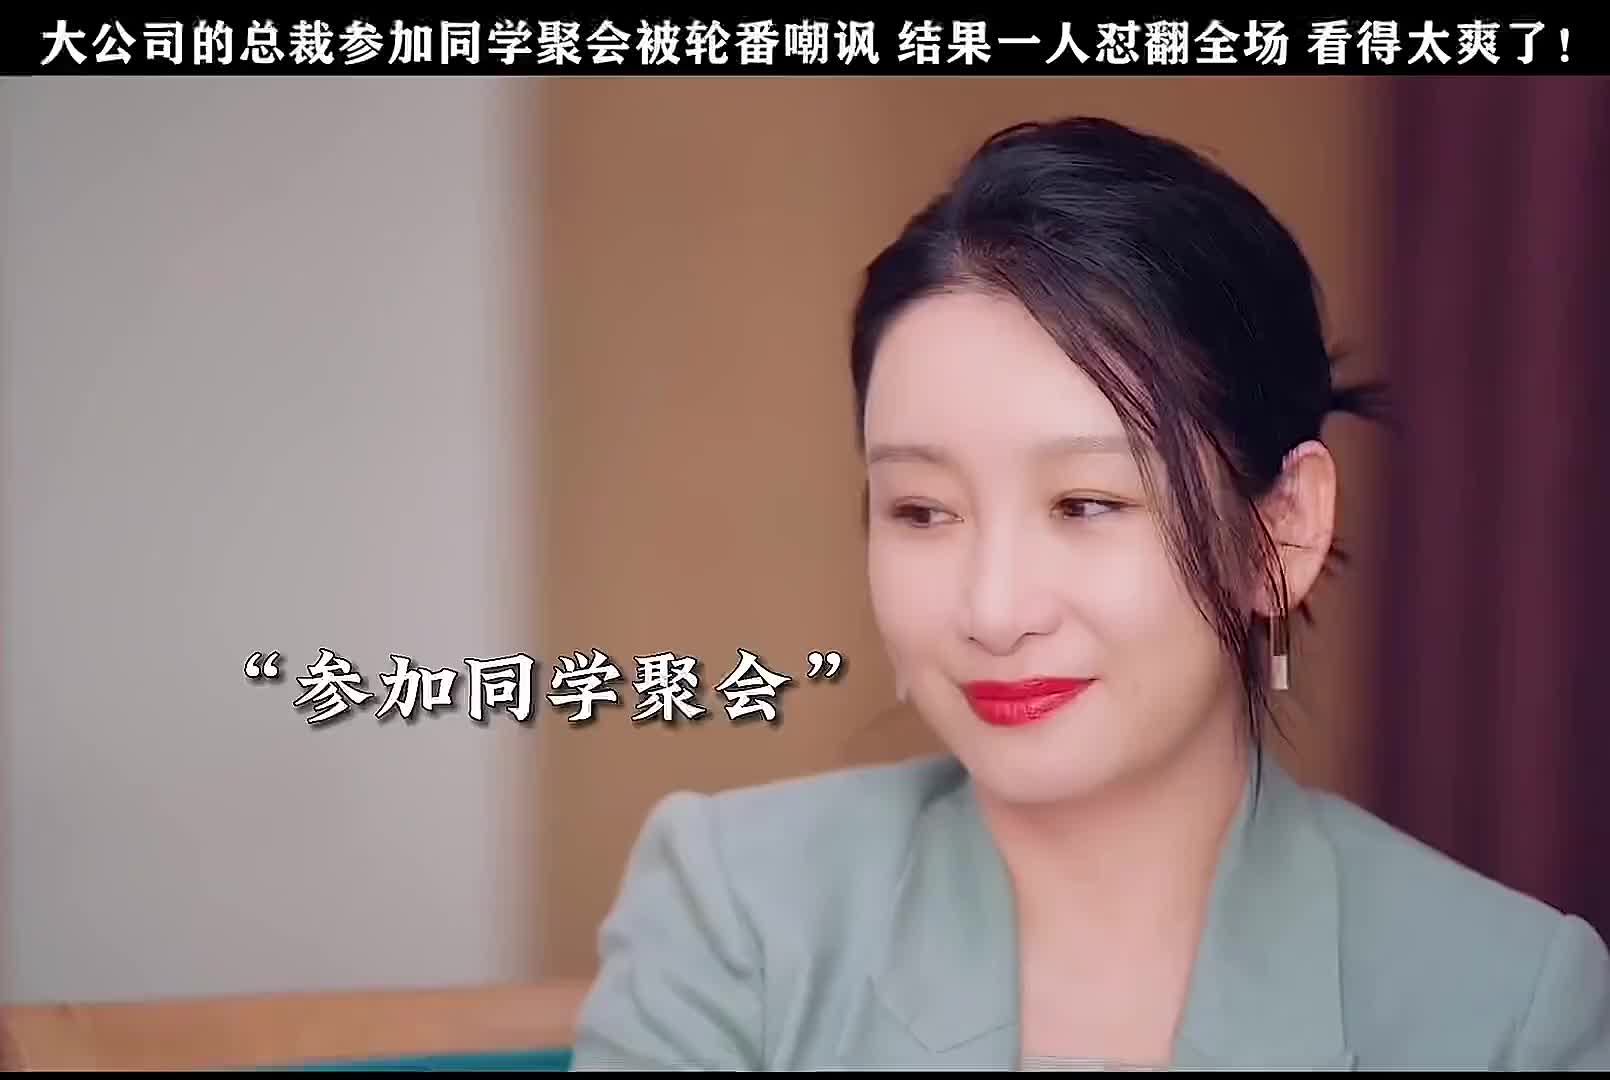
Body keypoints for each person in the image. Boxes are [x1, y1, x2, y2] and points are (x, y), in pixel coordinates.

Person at [567, 116, 1610, 1070]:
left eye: (1085, 503)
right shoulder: (736, 906)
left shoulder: (1505, 999)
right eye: (922, 511)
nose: (992, 609)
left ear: (1280, 531)